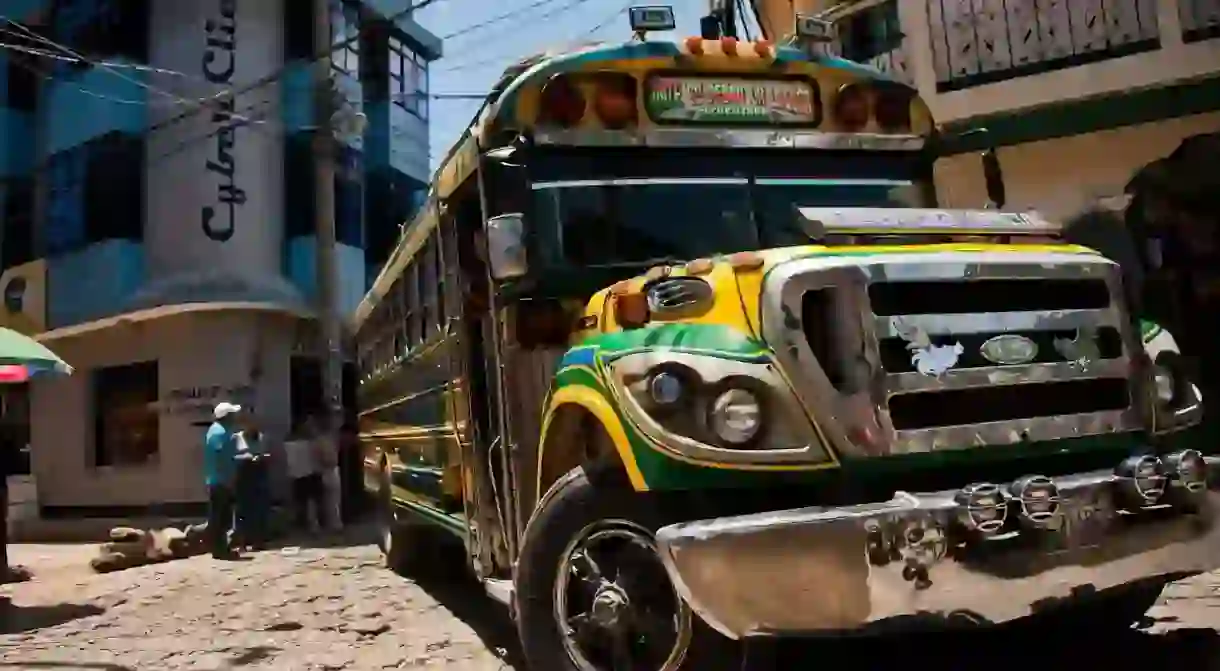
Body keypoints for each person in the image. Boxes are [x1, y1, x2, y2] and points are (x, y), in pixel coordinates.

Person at [205, 402, 243, 559]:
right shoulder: (219, 433)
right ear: (227, 417)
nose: (235, 417)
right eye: (233, 414)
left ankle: (220, 547)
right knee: (219, 517)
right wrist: (229, 478)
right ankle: (219, 549)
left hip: (221, 479)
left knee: (223, 516)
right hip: (220, 480)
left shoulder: (222, 431)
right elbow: (221, 457)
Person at [233, 418, 270, 551]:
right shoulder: (237, 438)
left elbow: (268, 454)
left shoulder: (261, 438)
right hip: (243, 477)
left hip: (259, 476)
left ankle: (258, 540)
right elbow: (231, 457)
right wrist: (246, 458)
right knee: (242, 511)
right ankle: (241, 542)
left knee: (259, 510)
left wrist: (263, 457)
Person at [284, 420, 325, 533]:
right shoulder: (310, 442)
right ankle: (314, 524)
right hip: (309, 472)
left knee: (299, 500)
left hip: (296, 474)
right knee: (311, 500)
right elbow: (316, 456)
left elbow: (288, 460)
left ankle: (300, 523)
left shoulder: (288, 443)